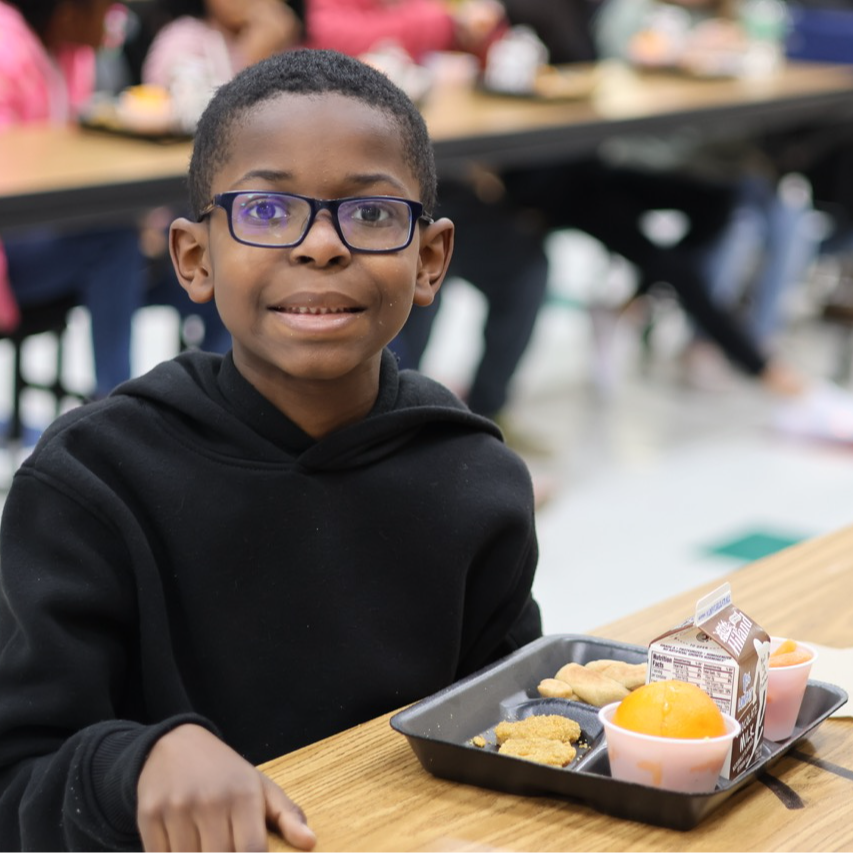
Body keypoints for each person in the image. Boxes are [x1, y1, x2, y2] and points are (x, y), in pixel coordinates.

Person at [0, 48, 542, 851]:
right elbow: (17, 780)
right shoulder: (91, 481)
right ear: (194, 257)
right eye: (263, 210)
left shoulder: (473, 476)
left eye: (371, 214)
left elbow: (514, 730)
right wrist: (135, 762)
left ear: (429, 258)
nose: (321, 246)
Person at [0, 0, 146, 398]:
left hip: (40, 236)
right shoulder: (6, 53)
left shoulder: (70, 53)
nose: (115, 20)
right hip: (9, 257)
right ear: (67, 14)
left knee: (143, 236)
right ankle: (118, 406)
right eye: (104, 10)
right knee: (117, 240)